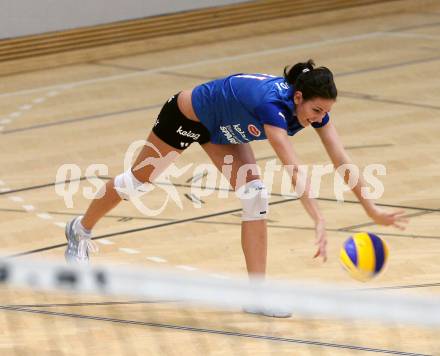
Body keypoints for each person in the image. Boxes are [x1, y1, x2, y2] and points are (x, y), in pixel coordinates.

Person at [64, 59, 408, 317]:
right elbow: (293, 167)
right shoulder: (271, 107)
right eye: (315, 110)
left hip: (224, 132)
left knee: (255, 196)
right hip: (187, 118)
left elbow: (341, 158)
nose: (318, 118)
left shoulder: (314, 111)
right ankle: (80, 229)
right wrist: (317, 217)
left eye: (325, 113)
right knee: (138, 182)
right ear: (298, 97)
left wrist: (371, 210)